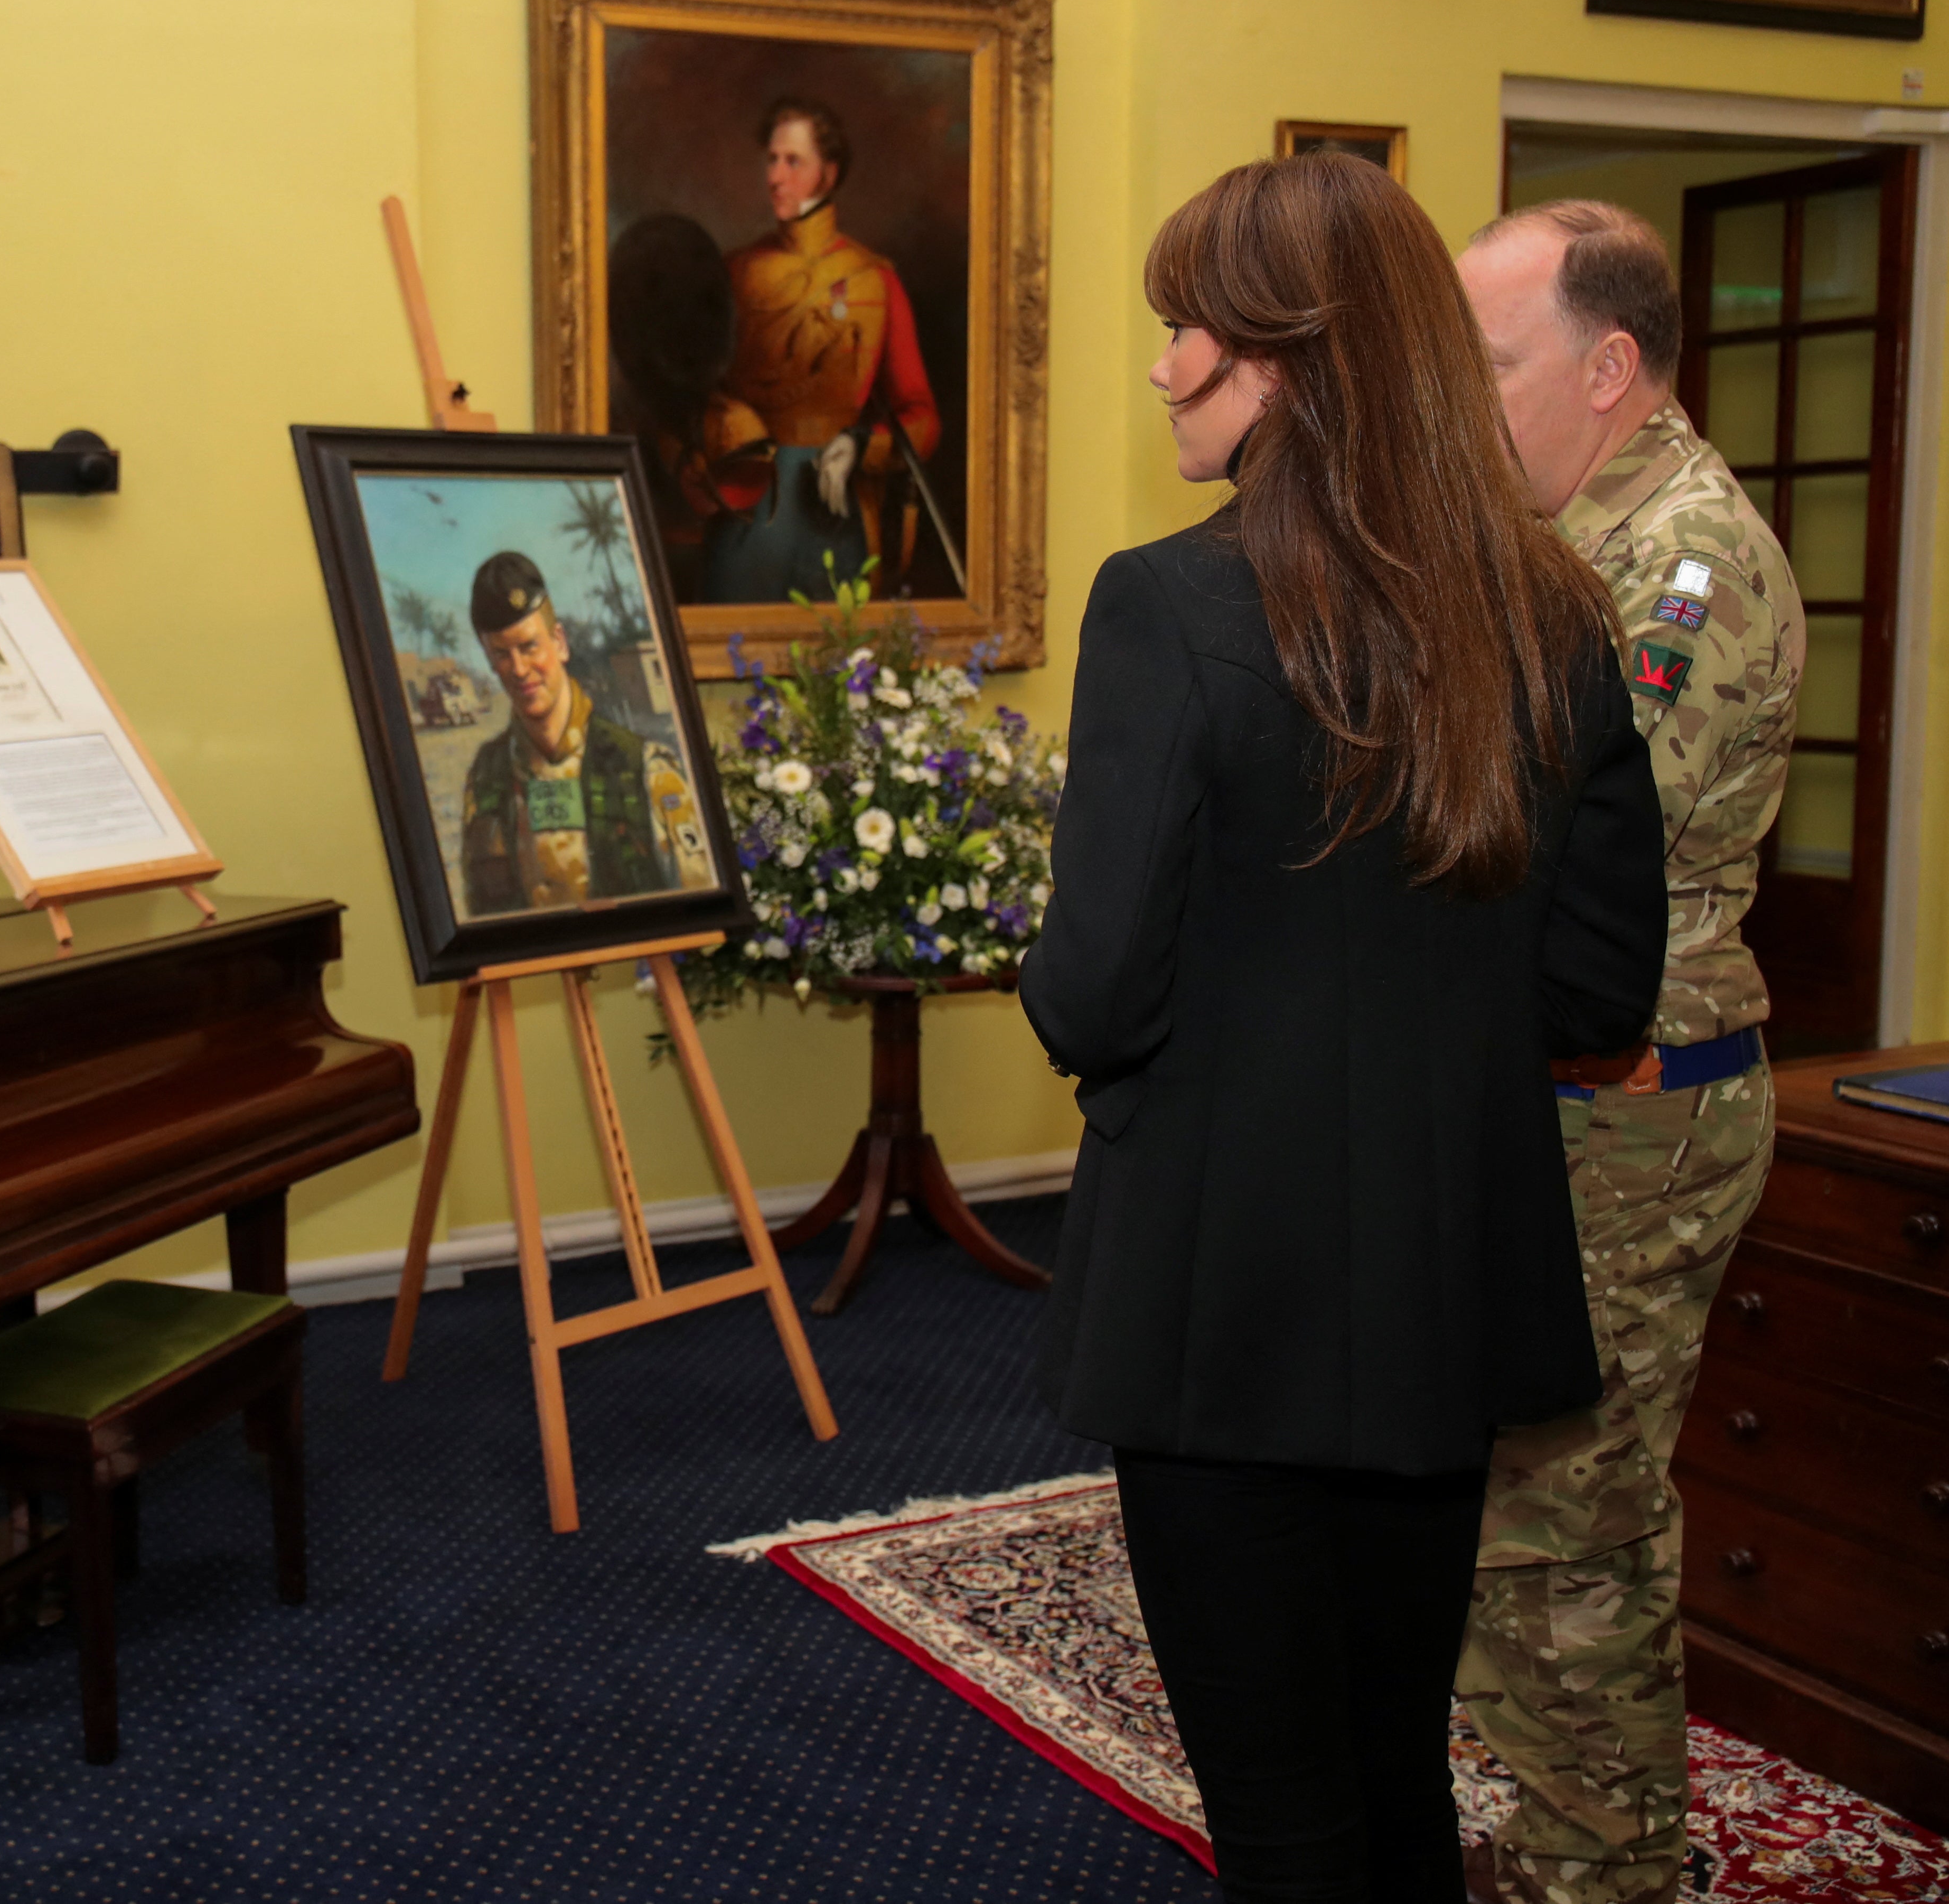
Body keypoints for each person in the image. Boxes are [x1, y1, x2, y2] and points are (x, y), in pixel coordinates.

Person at [1018, 154, 1668, 1903]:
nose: (1163, 365)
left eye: (1192, 327)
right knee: (1392, 1772)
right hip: (1447, 1277)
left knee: (1286, 1809)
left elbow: (1096, 989)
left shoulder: (1168, 604)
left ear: (1296, 358)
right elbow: (1603, 994)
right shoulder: (1556, 613)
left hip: (1227, 1293)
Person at [1452, 200, 1803, 1904]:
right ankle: (1561, 1837)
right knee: (1519, 1517)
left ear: (1606, 367)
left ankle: (1607, 1874)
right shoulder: (1565, 539)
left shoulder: (1684, 564)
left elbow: (1570, 840)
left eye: (1489, 362)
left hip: (1636, 1112)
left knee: (1571, 1532)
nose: (1460, 397)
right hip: (1564, 1098)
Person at [695, 97, 945, 604]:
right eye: (772, 160)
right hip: (749, 500)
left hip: (837, 508)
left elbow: (921, 416)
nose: (775, 177)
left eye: (793, 162)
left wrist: (859, 446)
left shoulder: (873, 279)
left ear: (827, 176)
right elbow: (692, 394)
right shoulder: (736, 272)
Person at [455, 552, 712, 915]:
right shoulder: (486, 776)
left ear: (559, 642)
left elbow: (697, 912)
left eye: (530, 646)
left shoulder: (644, 768)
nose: (519, 669)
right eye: (501, 654)